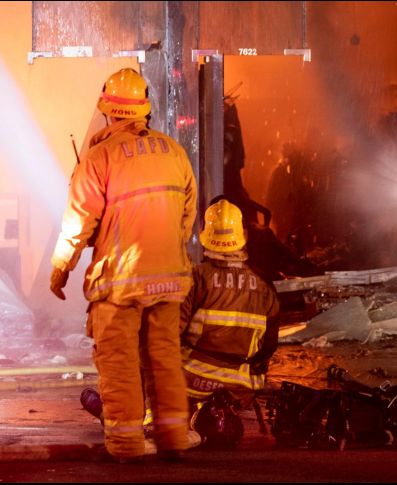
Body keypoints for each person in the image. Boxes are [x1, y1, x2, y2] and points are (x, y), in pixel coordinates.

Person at [49, 68, 197, 463]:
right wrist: (167, 254)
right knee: (164, 359)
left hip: (120, 283)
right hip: (170, 281)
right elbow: (186, 216)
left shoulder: (99, 158)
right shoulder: (174, 152)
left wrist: (61, 268)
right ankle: (174, 439)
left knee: (120, 363)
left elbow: (78, 223)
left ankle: (128, 446)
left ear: (107, 111)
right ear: (145, 109)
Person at [179, 197, 281, 446]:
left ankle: (143, 417)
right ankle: (219, 409)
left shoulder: (196, 278)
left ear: (205, 234)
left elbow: (171, 332)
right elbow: (269, 347)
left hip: (192, 379)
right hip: (241, 385)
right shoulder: (265, 286)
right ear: (242, 234)